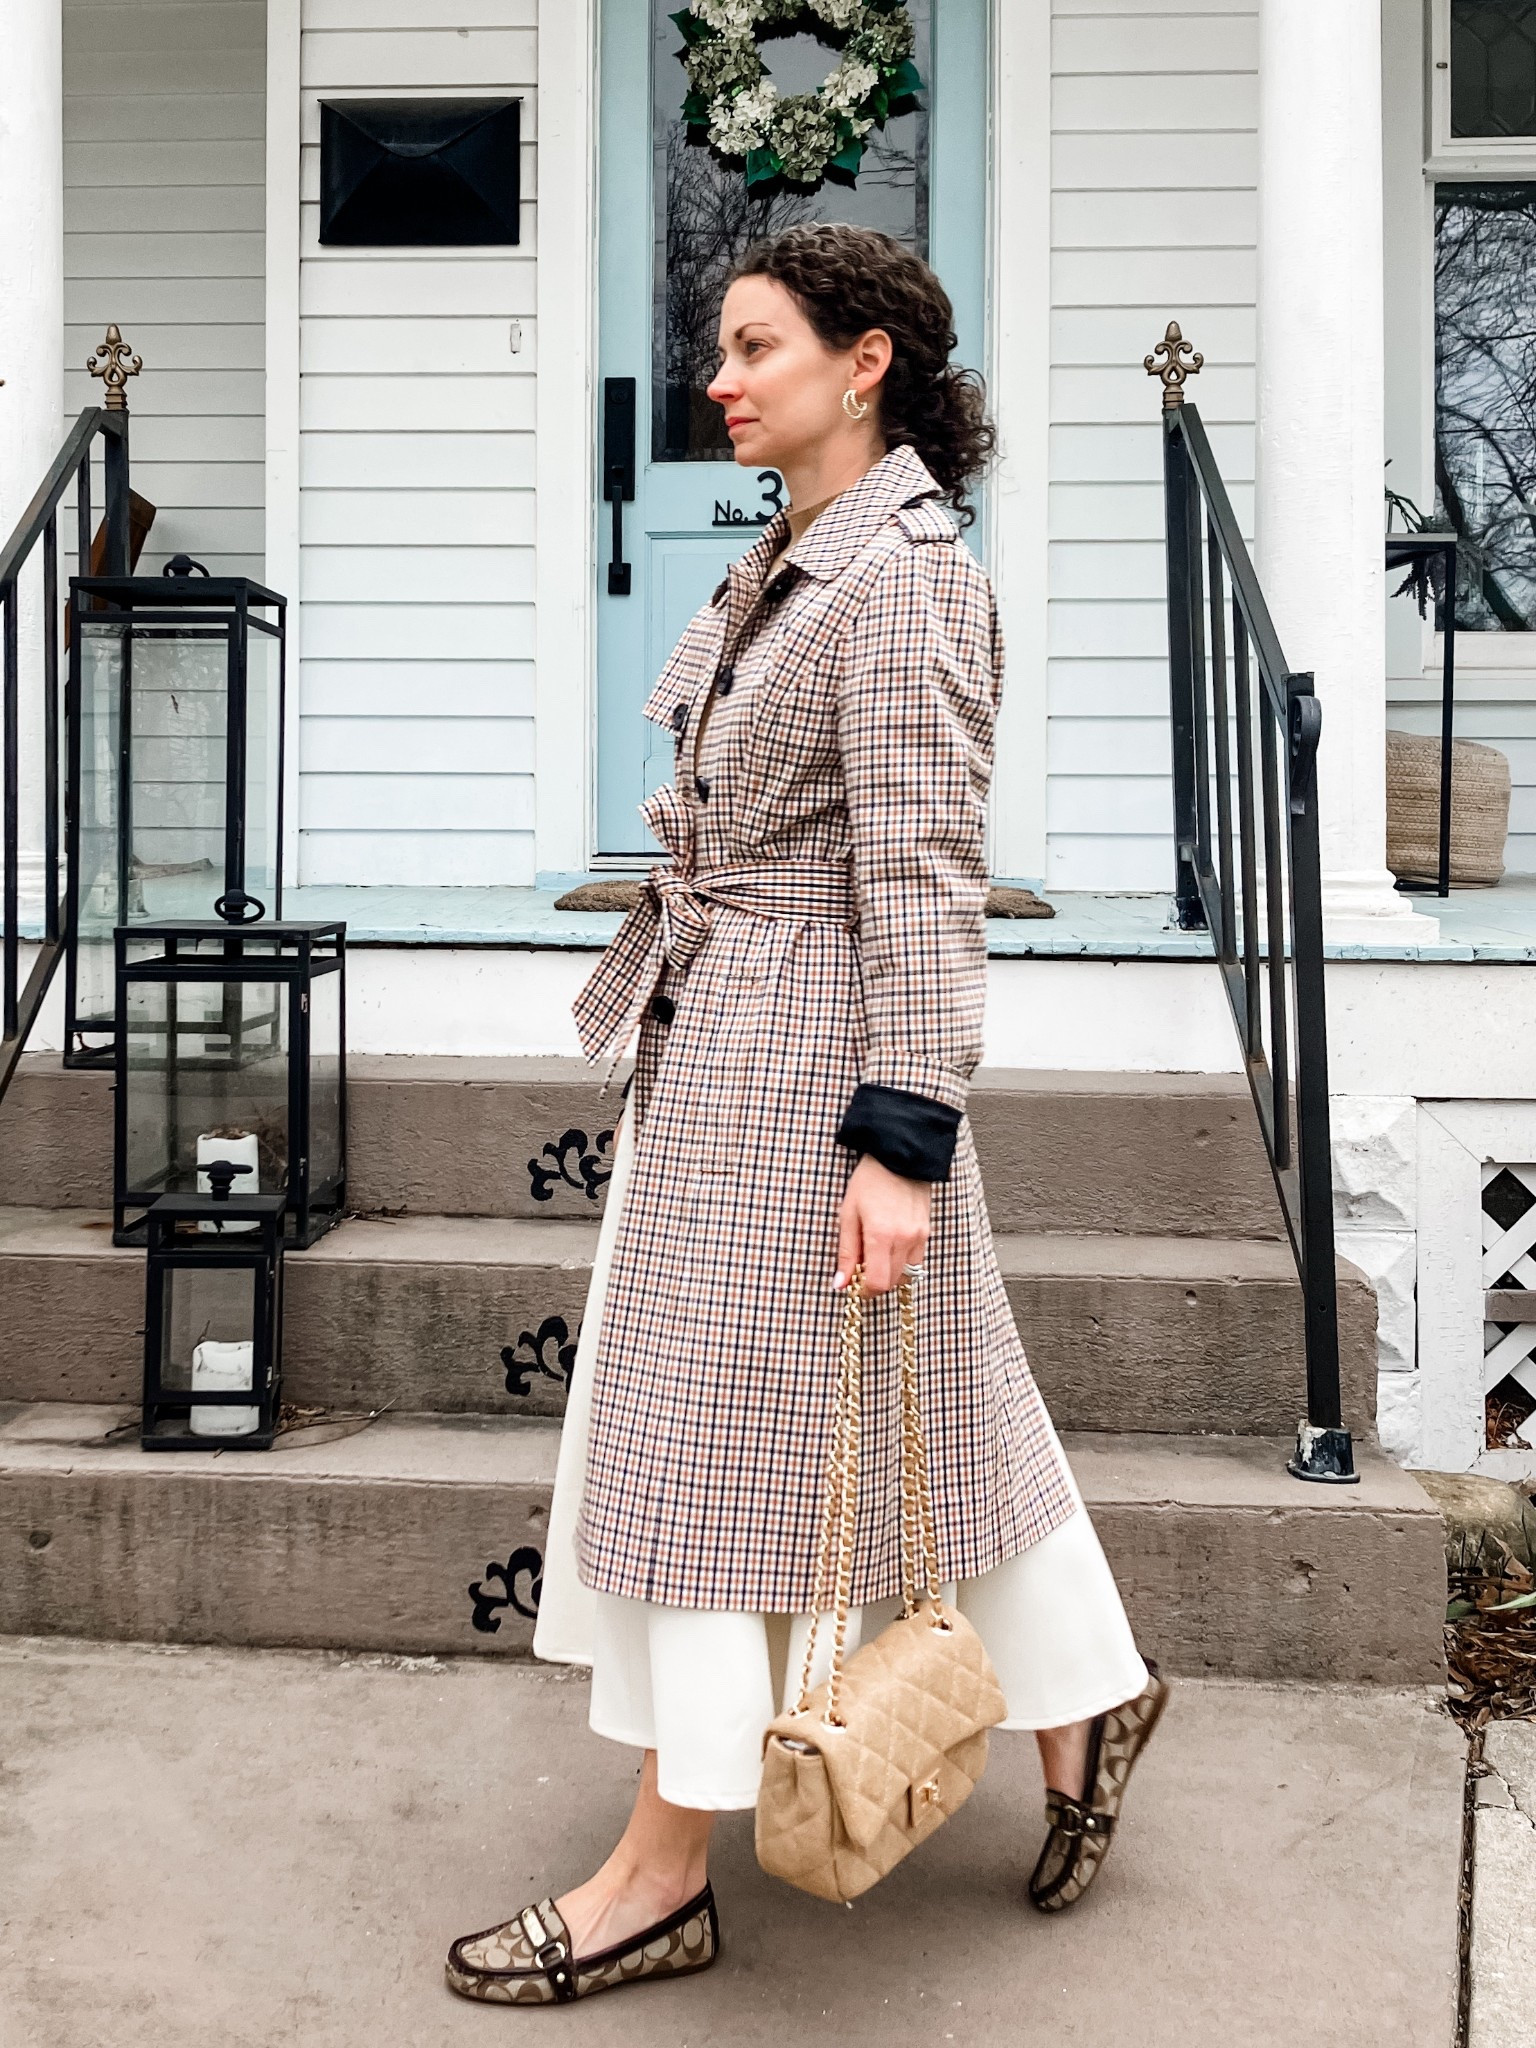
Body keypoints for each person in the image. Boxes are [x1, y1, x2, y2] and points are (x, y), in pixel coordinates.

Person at [446, 221, 1167, 2011]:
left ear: (866, 366)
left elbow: (924, 873)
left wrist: (904, 1133)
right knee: (933, 1420)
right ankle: (1087, 1702)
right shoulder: (791, 557)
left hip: (816, 1066)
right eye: (718, 349)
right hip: (729, 1037)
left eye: (753, 346)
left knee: (707, 1461)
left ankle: (657, 1873)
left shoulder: (905, 575)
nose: (717, 378)